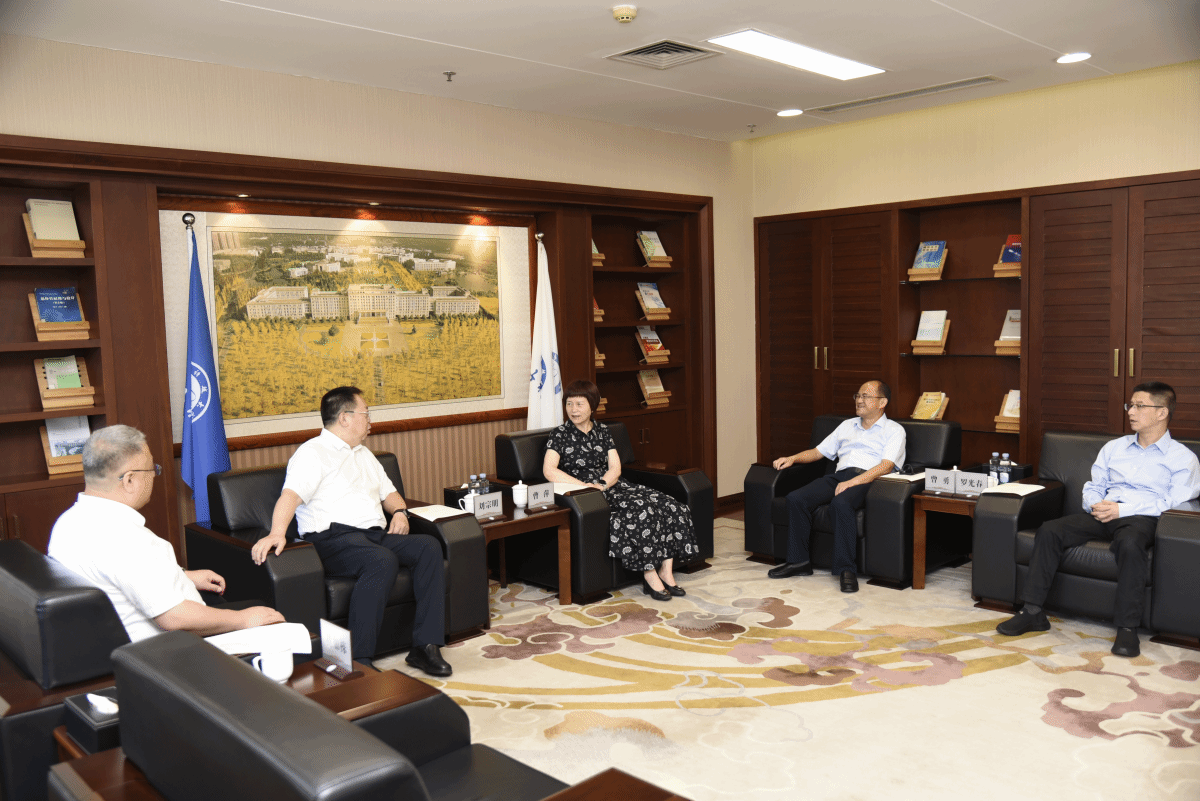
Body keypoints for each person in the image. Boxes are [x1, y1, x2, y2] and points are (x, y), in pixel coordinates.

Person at [251, 386, 450, 676]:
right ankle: (359, 659)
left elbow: (390, 494)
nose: (370, 420)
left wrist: (400, 512)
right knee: (381, 560)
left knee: (428, 547)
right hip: (332, 540)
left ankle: (425, 646)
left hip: (373, 536)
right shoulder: (312, 453)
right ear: (344, 418)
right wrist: (276, 533)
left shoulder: (364, 454)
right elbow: (290, 496)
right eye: (366, 413)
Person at [997, 381, 1200, 657]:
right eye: (1130, 405)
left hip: (1142, 518)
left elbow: (1173, 502)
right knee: (1050, 530)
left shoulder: (1182, 458)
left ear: (1162, 412)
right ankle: (1032, 612)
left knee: (1130, 545)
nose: (1131, 411)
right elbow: (1094, 485)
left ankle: (1127, 627)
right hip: (1103, 511)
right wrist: (1095, 504)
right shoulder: (1114, 447)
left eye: (1140, 406)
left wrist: (1122, 510)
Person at [49, 425, 284, 643]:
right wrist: (243, 619)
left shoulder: (67, 523)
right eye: (151, 469)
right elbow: (175, 618)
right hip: (171, 650)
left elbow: (122, 576)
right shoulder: (126, 538)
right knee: (270, 618)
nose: (154, 475)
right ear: (129, 480)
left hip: (114, 641)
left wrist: (183, 576)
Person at [542, 379, 699, 601]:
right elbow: (549, 470)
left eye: (579, 404)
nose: (573, 410)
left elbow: (615, 467)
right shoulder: (560, 434)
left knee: (672, 505)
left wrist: (603, 484)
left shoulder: (603, 431)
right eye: (569, 404)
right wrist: (586, 487)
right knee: (642, 510)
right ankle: (650, 575)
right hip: (585, 494)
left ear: (592, 406)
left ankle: (666, 571)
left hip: (612, 485)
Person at [767, 380, 905, 593]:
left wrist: (853, 482)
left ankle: (846, 570)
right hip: (840, 475)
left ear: (882, 402)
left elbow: (886, 466)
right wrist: (792, 458)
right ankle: (799, 562)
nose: (859, 400)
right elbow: (818, 452)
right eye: (858, 396)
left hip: (869, 480)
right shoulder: (847, 425)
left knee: (841, 504)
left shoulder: (894, 430)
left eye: (866, 396)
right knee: (796, 498)